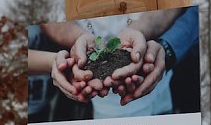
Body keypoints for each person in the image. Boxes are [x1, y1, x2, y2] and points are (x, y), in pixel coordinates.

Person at [41, 7, 199, 119]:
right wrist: (79, 39)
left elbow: (172, 0)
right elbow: (47, 12)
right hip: (108, 100)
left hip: (155, 60)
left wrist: (139, 30)